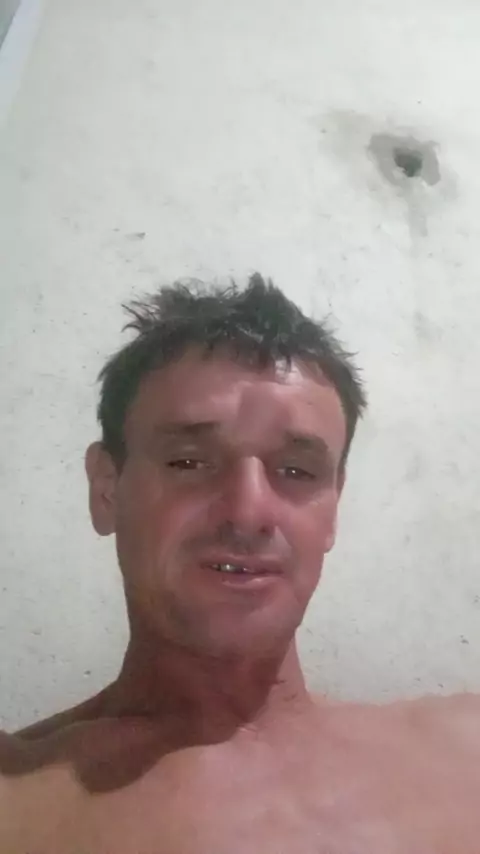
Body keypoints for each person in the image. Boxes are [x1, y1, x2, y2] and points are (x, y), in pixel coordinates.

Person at [1, 273, 479, 854]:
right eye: (188, 462)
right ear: (107, 490)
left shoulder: (464, 754)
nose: (248, 513)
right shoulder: (19, 801)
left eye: (297, 471)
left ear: (333, 509)